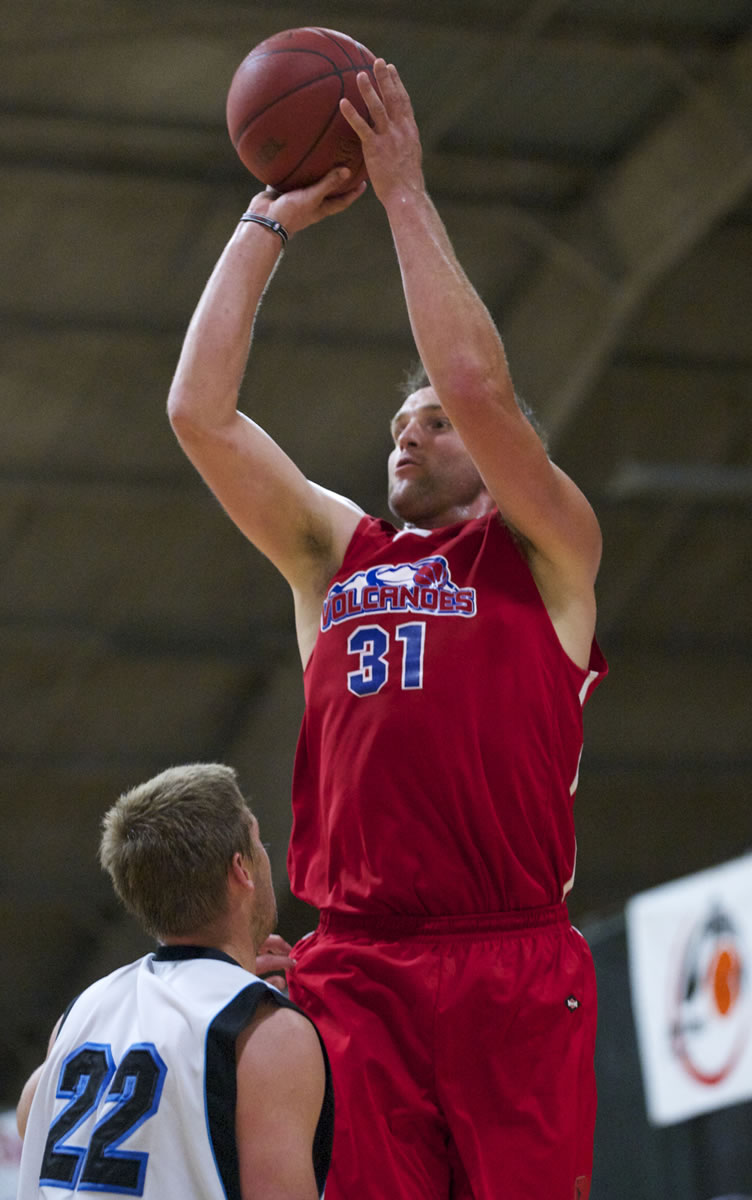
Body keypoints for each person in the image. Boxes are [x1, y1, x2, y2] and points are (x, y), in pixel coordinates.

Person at [167, 58, 607, 1200]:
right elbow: (197, 413)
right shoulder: (335, 551)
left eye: (433, 426)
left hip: (508, 957)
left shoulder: (546, 548)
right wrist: (265, 223)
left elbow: (472, 378)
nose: (408, 437)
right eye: (396, 426)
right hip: (355, 962)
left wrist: (403, 190)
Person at [15, 763, 333, 1200]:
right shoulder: (266, 1033)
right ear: (242, 870)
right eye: (260, 843)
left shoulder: (80, 1013)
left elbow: (29, 1114)